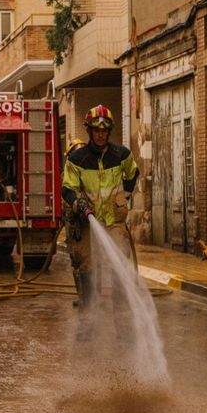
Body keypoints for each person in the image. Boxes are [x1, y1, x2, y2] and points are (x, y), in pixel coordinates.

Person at [61, 105, 139, 307]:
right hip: (88, 220)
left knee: (119, 265)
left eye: (104, 130)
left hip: (114, 221)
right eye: (96, 130)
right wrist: (78, 203)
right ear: (89, 130)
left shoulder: (121, 154)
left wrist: (125, 197)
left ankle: (122, 323)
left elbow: (132, 174)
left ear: (109, 131)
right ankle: (88, 318)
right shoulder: (77, 159)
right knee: (87, 265)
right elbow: (67, 188)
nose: (100, 135)